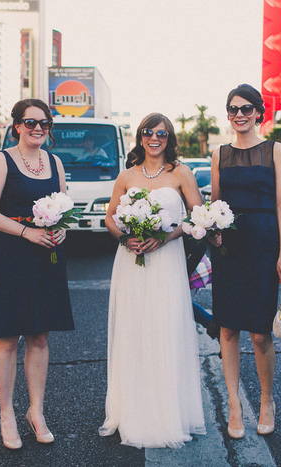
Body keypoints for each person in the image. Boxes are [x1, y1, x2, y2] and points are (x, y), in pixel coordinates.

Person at [99, 113, 206, 448]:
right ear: (141, 137)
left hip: (166, 262)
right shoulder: (127, 175)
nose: (154, 138)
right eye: (149, 132)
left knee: (165, 327)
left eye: (161, 133)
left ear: (169, 137)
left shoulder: (181, 173)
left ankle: (167, 411)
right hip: (131, 262)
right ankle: (131, 410)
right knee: (134, 329)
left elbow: (198, 217)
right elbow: (110, 217)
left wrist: (168, 236)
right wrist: (123, 238)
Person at [0, 99, 74, 450]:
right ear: (17, 125)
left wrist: (62, 229)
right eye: (31, 122)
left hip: (47, 254)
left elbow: (62, 206)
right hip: (13, 254)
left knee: (40, 336)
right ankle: (6, 414)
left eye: (44, 123)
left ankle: (36, 411)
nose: (38, 128)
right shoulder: (2, 160)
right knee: (8, 338)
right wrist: (25, 232)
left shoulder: (55, 162)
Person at [209, 84, 281, 438]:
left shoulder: (275, 150)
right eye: (233, 109)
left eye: (246, 109)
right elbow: (215, 203)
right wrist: (211, 230)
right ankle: (235, 405)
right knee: (228, 328)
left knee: (259, 334)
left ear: (259, 112)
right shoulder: (219, 154)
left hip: (263, 245)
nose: (239, 115)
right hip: (229, 248)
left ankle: (267, 400)